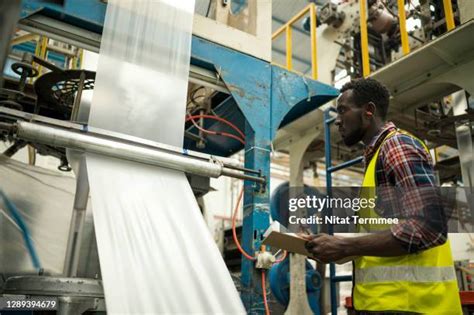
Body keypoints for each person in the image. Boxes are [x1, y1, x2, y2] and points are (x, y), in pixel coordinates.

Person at [303, 78, 462, 314]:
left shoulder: (396, 146)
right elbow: (385, 237)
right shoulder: (376, 159)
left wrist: (345, 246)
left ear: (369, 111)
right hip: (388, 305)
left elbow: (430, 226)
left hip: (413, 305)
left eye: (343, 110)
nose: (337, 120)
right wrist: (334, 247)